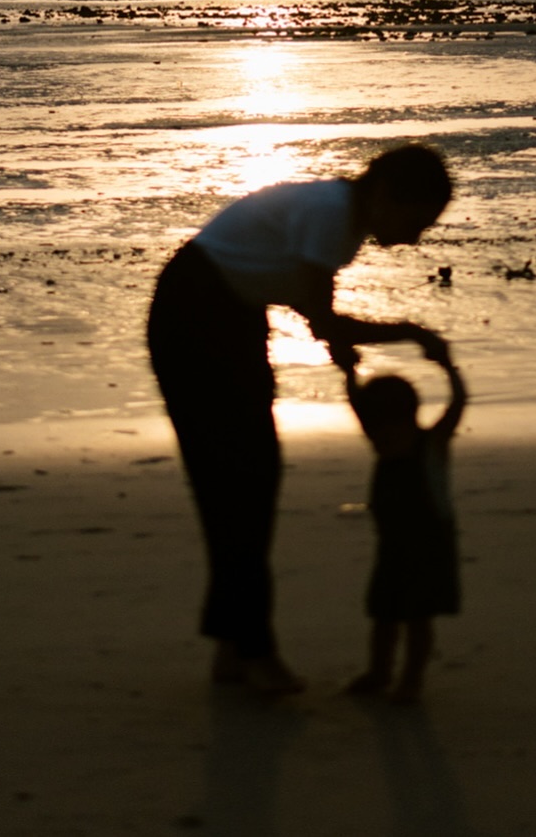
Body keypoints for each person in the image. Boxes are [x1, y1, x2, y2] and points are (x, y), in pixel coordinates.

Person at [146, 143, 454, 695]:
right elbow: (321, 316)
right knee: (239, 485)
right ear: (387, 194)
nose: (414, 238)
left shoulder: (339, 216)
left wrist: (344, 342)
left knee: (247, 484)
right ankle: (252, 652)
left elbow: (306, 306)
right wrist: (412, 333)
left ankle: (233, 648)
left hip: (232, 317)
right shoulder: (334, 215)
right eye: (417, 221)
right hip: (195, 316)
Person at [342, 349, 467, 704]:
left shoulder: (432, 443)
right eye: (376, 430)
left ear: (409, 419)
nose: (381, 439)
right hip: (392, 546)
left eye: (387, 430)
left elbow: (458, 404)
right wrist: (348, 371)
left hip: (430, 545)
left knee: (417, 617)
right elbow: (357, 405)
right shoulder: (382, 444)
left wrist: (446, 367)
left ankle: (411, 680)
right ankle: (379, 672)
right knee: (384, 614)